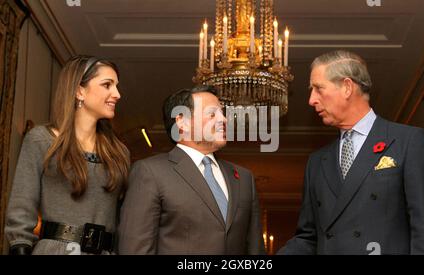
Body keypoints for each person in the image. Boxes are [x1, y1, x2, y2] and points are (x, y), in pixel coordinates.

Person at [278, 50, 424, 255]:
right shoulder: (317, 162)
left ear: (347, 87)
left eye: (318, 89)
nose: (311, 100)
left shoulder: (408, 142)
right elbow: (308, 238)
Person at [5, 55, 130, 255]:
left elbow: (123, 219)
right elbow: (21, 208)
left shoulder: (119, 152)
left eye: (116, 86)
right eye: (107, 85)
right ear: (79, 91)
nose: (117, 94)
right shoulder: (41, 140)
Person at [117, 86, 265, 254]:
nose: (223, 119)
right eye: (212, 114)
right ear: (182, 122)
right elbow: (135, 249)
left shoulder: (243, 178)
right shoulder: (151, 172)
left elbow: (255, 249)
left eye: (222, 113)